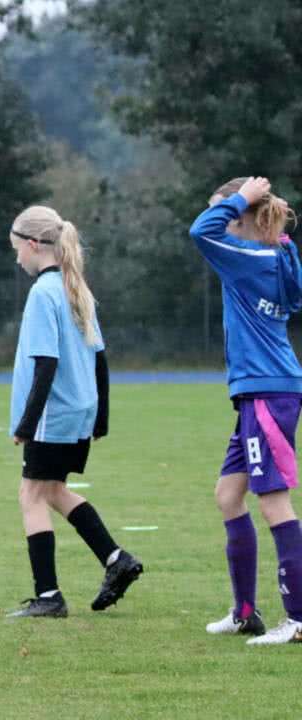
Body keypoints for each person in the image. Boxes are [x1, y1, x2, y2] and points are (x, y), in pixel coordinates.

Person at [1, 205, 142, 619]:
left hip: (53, 413)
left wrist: (25, 425)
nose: (16, 259)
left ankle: (49, 596)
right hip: (79, 411)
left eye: (16, 249)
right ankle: (116, 559)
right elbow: (99, 359)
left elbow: (46, 364)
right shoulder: (73, 285)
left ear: (32, 245)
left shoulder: (43, 292)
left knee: (31, 494)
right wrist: (101, 417)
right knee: (53, 491)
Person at [191, 176, 302, 645]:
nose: (219, 216)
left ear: (241, 217)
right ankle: (245, 613)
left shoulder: (248, 258)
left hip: (266, 394)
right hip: (264, 393)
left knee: (274, 500)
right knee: (227, 496)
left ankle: (298, 620)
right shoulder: (277, 255)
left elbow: (201, 232)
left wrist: (236, 200)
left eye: (226, 211)